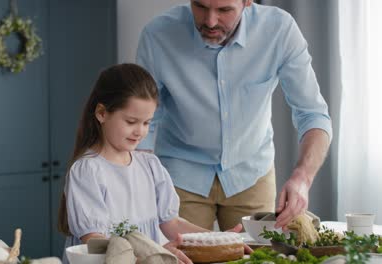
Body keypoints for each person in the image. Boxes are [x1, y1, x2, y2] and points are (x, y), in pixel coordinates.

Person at [136, 0, 332, 232]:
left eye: (224, 10)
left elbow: (313, 114)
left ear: (247, 2)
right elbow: (144, 117)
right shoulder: (158, 35)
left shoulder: (279, 30)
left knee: (259, 257)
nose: (210, 21)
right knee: (186, 256)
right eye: (200, 6)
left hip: (251, 172)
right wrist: (142, 180)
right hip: (180, 175)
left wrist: (302, 178)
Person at [57, 63, 248, 264]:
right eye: (131, 122)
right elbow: (95, 242)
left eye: (147, 122)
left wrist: (218, 240)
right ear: (102, 113)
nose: (140, 131)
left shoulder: (150, 165)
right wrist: (151, 257)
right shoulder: (87, 171)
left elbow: (171, 224)